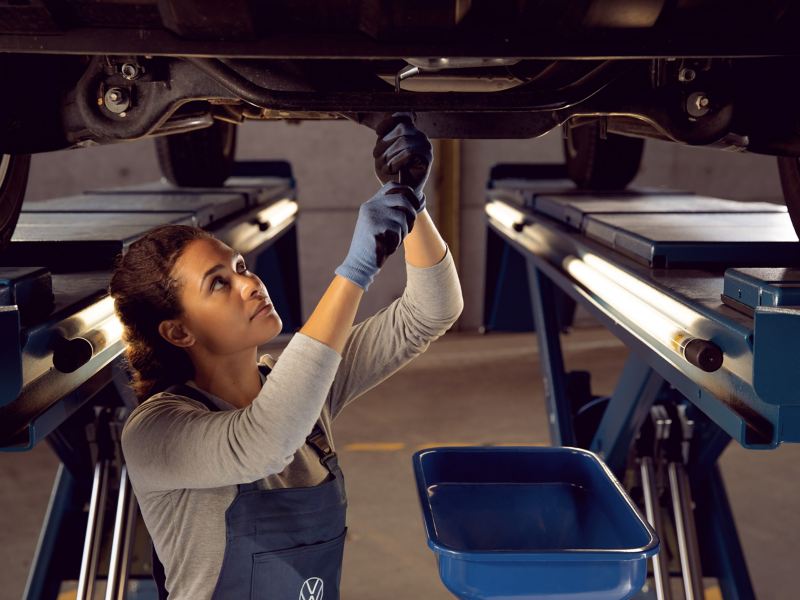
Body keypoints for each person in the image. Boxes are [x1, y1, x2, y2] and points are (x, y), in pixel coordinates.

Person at [110, 114, 463, 600]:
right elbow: (264, 441)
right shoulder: (156, 432)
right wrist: (356, 270)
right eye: (220, 283)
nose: (250, 282)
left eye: (240, 266)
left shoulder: (295, 391)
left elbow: (430, 311)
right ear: (178, 331)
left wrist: (411, 203)